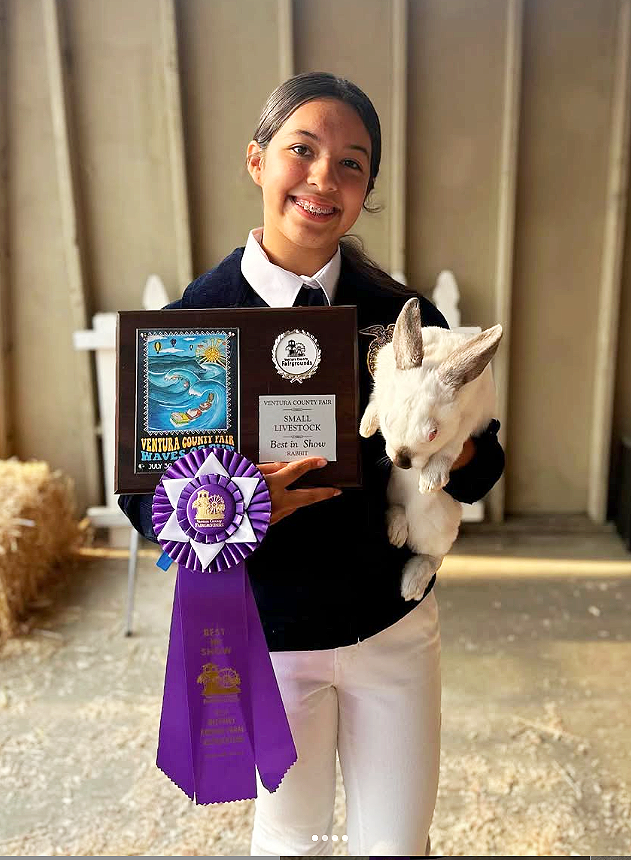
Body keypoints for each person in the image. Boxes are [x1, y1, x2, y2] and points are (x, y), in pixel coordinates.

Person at [118, 72, 505, 857]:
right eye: (302, 150)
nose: (324, 177)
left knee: (395, 846)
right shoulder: (194, 322)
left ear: (366, 188)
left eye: (351, 163)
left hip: (389, 630)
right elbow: (142, 501)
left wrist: (448, 444)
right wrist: (231, 500)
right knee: (292, 843)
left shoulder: (401, 320)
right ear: (256, 160)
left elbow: (481, 467)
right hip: (267, 635)